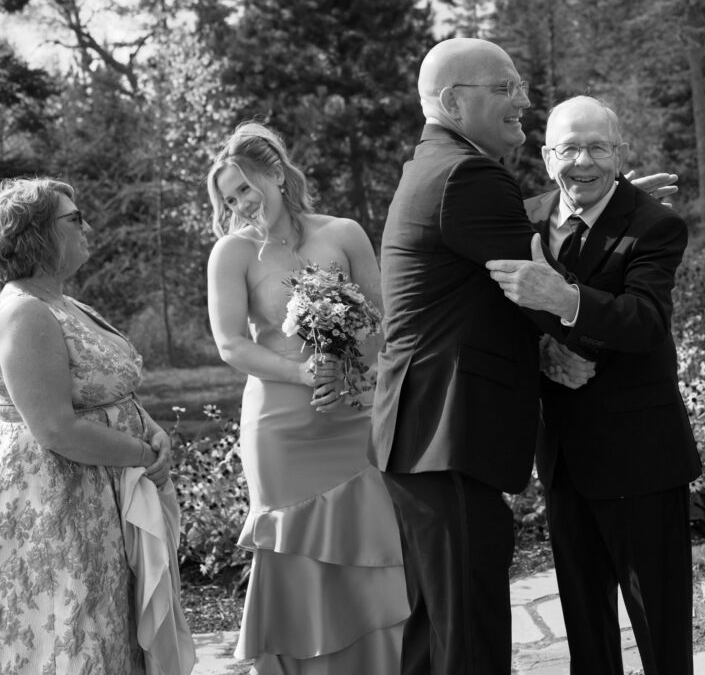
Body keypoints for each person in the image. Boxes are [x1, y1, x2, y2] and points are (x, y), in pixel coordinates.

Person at [370, 37, 576, 675]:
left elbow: (495, 229)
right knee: (470, 642)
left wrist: (589, 204)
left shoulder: (437, 165)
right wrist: (583, 317)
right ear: (455, 102)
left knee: (438, 634)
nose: (525, 99)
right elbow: (535, 282)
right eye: (505, 87)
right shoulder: (470, 174)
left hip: (424, 436)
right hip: (448, 433)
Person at [487, 95, 702, 675]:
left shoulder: (655, 223)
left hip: (642, 457)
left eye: (597, 147)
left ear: (620, 152)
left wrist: (566, 301)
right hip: (562, 456)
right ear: (545, 153)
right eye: (568, 148)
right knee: (584, 626)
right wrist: (542, 350)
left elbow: (646, 320)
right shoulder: (522, 216)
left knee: (660, 627)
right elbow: (492, 314)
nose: (582, 162)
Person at [206, 121, 409, 674]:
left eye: (246, 187)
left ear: (275, 173)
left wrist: (353, 376)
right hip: (281, 428)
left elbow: (382, 319)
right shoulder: (233, 253)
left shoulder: (343, 233)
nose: (242, 204)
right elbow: (230, 345)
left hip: (351, 413)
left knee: (367, 544)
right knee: (294, 552)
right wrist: (303, 375)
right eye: (230, 197)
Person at [0, 177, 194, 675]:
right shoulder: (25, 312)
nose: (88, 225)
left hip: (104, 495)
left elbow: (113, 389)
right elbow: (54, 429)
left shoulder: (67, 304)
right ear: (36, 234)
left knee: (114, 635)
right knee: (79, 635)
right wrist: (144, 455)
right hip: (65, 502)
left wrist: (153, 429)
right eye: (74, 218)